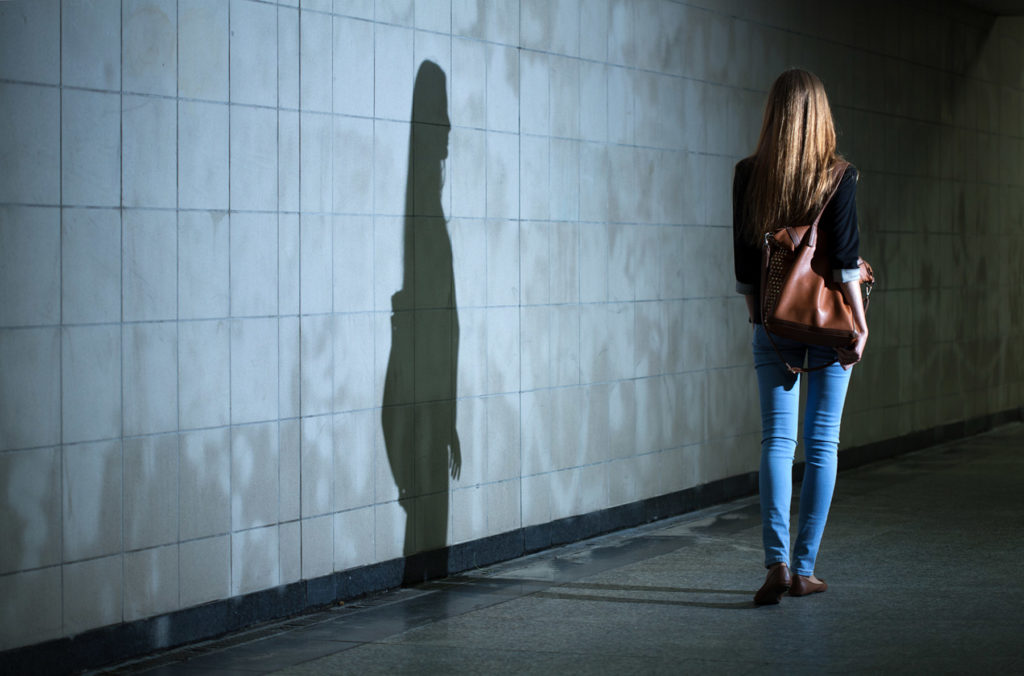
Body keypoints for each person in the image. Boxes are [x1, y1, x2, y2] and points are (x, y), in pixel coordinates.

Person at [732, 69, 869, 605]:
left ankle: (776, 562)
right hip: (830, 324)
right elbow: (843, 264)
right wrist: (858, 325)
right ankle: (805, 568)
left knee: (776, 441)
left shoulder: (749, 175)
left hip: (772, 323)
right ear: (821, 117)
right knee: (822, 442)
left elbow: (745, 267)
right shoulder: (837, 176)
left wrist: (762, 323)